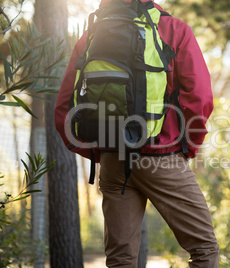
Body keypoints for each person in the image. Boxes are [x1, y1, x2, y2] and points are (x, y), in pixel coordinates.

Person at [54, 0, 219, 267]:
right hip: (161, 155)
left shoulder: (92, 35)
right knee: (204, 248)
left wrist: (99, 150)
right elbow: (199, 98)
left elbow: (64, 106)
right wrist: (188, 147)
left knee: (120, 258)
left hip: (112, 158)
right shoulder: (172, 29)